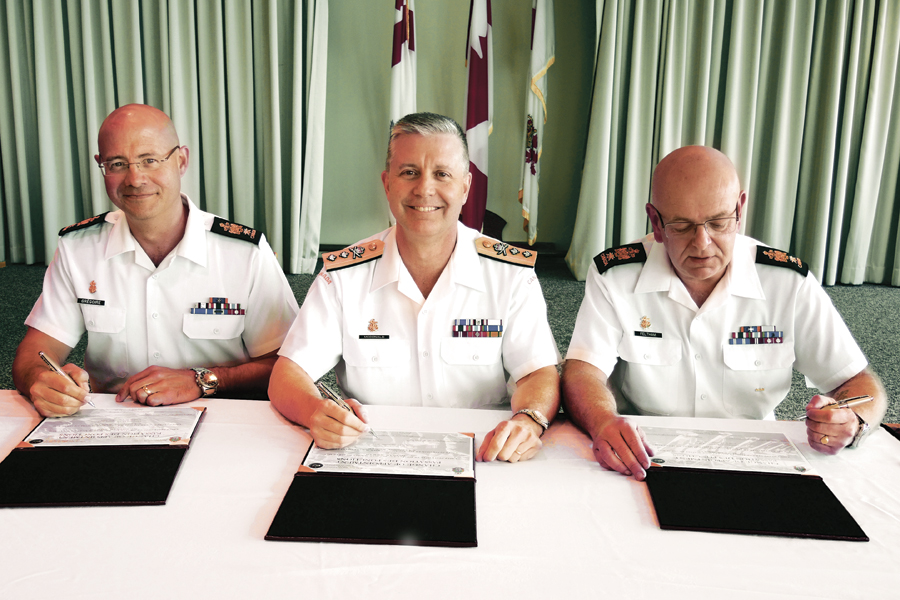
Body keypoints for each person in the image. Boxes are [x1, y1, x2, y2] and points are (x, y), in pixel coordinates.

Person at [562, 146, 887, 480]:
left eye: (718, 223)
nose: (702, 243)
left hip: (755, 458)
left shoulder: (787, 283)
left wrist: (853, 419)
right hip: (644, 454)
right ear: (656, 222)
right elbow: (582, 372)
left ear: (739, 210)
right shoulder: (616, 275)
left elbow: (858, 383)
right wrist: (603, 420)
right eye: (682, 225)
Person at [268, 112, 560, 463]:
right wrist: (315, 410)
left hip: (484, 454)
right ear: (387, 183)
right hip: (371, 455)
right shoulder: (343, 276)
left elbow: (538, 372)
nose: (424, 189)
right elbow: (288, 375)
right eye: (409, 173)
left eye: (442, 174)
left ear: (465, 187)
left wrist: (529, 419)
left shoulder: (509, 275)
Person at [13, 104, 299, 417]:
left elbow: (288, 367)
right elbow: (36, 352)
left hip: (221, 418)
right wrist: (41, 379)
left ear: (181, 161)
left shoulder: (244, 253)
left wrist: (203, 380)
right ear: (101, 166)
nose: (135, 179)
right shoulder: (78, 248)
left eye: (150, 160)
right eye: (118, 164)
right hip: (115, 422)